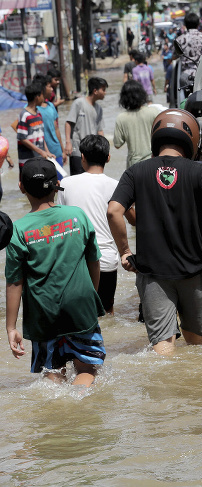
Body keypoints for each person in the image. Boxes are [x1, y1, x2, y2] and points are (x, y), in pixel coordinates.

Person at [107, 109, 202, 355]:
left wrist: (124, 251)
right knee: (197, 348)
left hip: (154, 274)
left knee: (163, 348)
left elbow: (114, 211)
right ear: (192, 140)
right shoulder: (200, 171)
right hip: (195, 270)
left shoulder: (135, 172)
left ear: (155, 137)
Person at [5, 158, 105, 386]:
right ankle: (81, 401)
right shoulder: (77, 216)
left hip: (44, 313)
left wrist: (11, 327)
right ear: (57, 184)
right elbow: (94, 262)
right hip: (81, 307)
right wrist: (92, 297)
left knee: (52, 373)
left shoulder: (18, 230)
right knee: (87, 368)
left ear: (21, 187)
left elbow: (14, 282)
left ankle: (57, 415)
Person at [58, 135, 128, 315]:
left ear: (82, 157)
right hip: (106, 260)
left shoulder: (65, 183)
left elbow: (61, 221)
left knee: (78, 314)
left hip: (75, 261)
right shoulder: (116, 185)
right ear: (108, 157)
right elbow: (127, 218)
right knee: (106, 312)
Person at [65, 77, 106, 176]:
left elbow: (100, 130)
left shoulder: (99, 108)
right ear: (95, 91)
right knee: (77, 178)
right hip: (77, 148)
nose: (105, 93)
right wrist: (68, 143)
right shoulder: (79, 103)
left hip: (92, 150)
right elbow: (68, 123)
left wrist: (104, 149)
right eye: (103, 90)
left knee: (91, 180)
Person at [113, 80, 158, 168]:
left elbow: (117, 144)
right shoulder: (154, 112)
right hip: (153, 162)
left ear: (123, 98)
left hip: (133, 165)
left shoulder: (121, 118)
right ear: (142, 94)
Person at [17, 82, 53, 170]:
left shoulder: (38, 114)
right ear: (37, 97)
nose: (44, 98)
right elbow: (22, 138)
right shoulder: (24, 115)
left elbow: (41, 136)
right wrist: (40, 151)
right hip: (27, 162)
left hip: (39, 159)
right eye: (42, 95)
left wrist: (47, 152)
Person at [175, 12, 202, 88]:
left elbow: (174, 56)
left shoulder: (179, 39)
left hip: (185, 77)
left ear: (185, 25)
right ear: (198, 24)